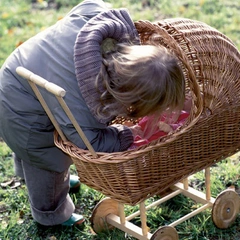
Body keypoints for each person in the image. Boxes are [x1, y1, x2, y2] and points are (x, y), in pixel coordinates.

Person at [0, 0, 185, 227]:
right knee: (45, 157)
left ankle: (28, 172)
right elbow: (90, 141)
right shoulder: (78, 100)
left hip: (21, 69)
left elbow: (88, 5)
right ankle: (51, 214)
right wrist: (126, 135)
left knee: (31, 149)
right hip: (20, 109)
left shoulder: (105, 29)